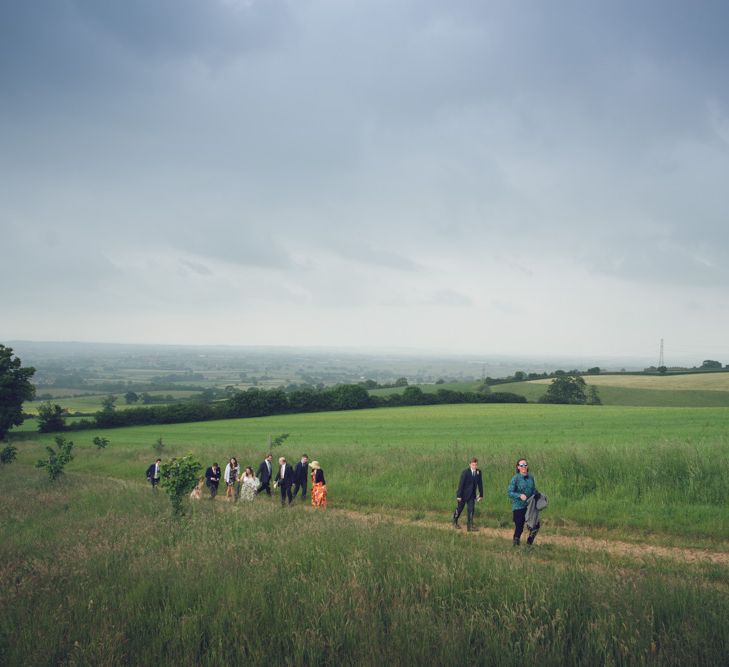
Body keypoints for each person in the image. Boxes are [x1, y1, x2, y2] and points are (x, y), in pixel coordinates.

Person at [507, 458, 539, 546]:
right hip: (518, 506)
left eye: (525, 465)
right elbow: (509, 492)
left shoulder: (531, 477)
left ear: (527, 466)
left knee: (535, 525)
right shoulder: (515, 478)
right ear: (518, 467)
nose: (524, 467)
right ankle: (516, 546)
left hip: (530, 506)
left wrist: (536, 493)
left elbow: (532, 489)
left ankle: (529, 544)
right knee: (519, 527)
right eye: (521, 465)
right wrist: (519, 495)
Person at [452, 457, 483, 531]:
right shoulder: (465, 472)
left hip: (472, 495)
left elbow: (480, 484)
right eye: (473, 465)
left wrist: (481, 494)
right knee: (459, 509)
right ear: (470, 465)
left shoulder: (478, 472)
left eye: (476, 465)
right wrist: (459, 496)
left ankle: (470, 526)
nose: (474, 466)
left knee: (471, 509)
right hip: (463, 495)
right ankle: (454, 521)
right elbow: (461, 484)